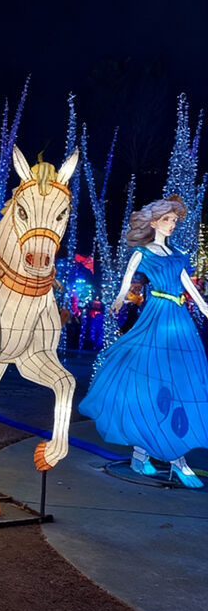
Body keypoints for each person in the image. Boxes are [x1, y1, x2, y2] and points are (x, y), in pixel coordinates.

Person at [79, 195, 208, 487]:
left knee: (181, 381)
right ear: (154, 222)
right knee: (153, 381)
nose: (173, 224)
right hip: (157, 315)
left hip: (179, 318)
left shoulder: (177, 255)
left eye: (175, 220)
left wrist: (203, 306)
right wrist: (117, 300)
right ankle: (156, 456)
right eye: (168, 219)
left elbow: (187, 284)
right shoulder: (143, 253)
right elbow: (126, 282)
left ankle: (164, 455)